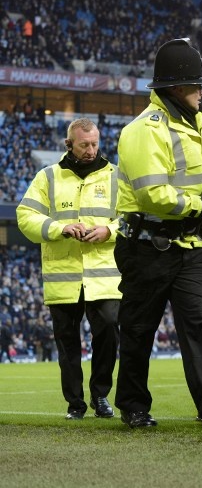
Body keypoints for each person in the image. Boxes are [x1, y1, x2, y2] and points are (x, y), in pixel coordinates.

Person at [113, 38, 202, 429]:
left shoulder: (198, 120)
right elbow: (152, 193)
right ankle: (133, 406)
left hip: (190, 244)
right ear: (174, 88)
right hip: (148, 244)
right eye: (196, 86)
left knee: (200, 326)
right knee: (138, 328)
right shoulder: (143, 130)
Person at [16, 118, 121, 419]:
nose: (90, 150)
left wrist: (108, 231)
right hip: (63, 279)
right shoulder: (47, 177)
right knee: (67, 345)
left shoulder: (116, 177)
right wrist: (59, 228)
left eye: (94, 144)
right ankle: (75, 404)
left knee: (107, 337)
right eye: (84, 145)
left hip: (104, 277)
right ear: (69, 144)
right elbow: (25, 216)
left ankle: (100, 396)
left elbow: (131, 217)